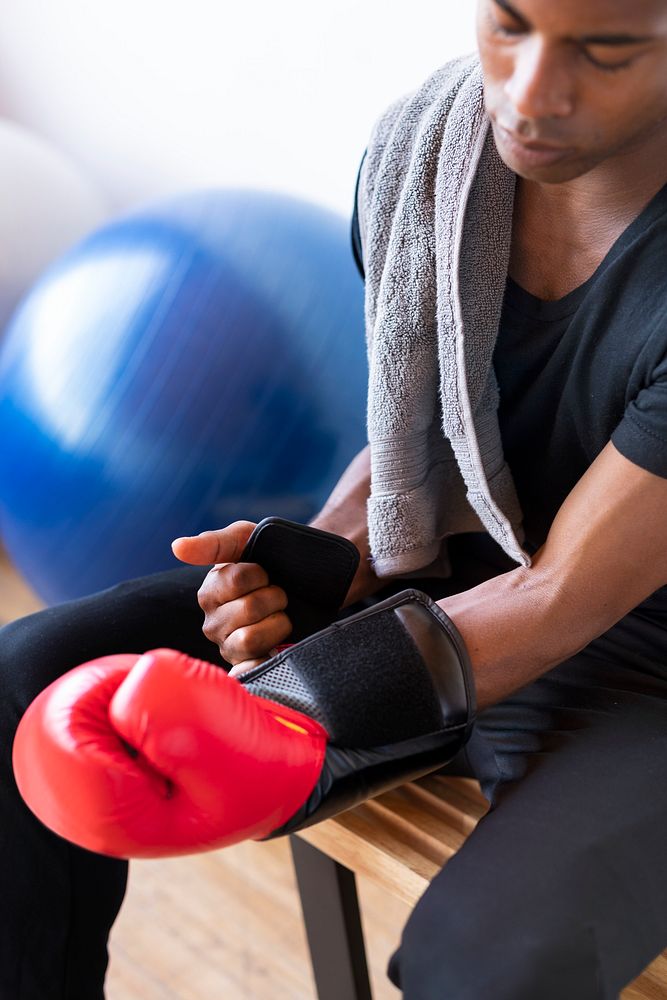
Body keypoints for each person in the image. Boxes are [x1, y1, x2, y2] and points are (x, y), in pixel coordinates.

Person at [2, 0, 667, 996]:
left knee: (486, 964)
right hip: (453, 592)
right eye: (507, 24)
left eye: (604, 49)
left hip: (639, 682)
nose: (526, 94)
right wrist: (320, 555)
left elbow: (562, 595)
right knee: (34, 674)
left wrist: (291, 707)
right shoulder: (426, 151)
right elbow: (415, 430)